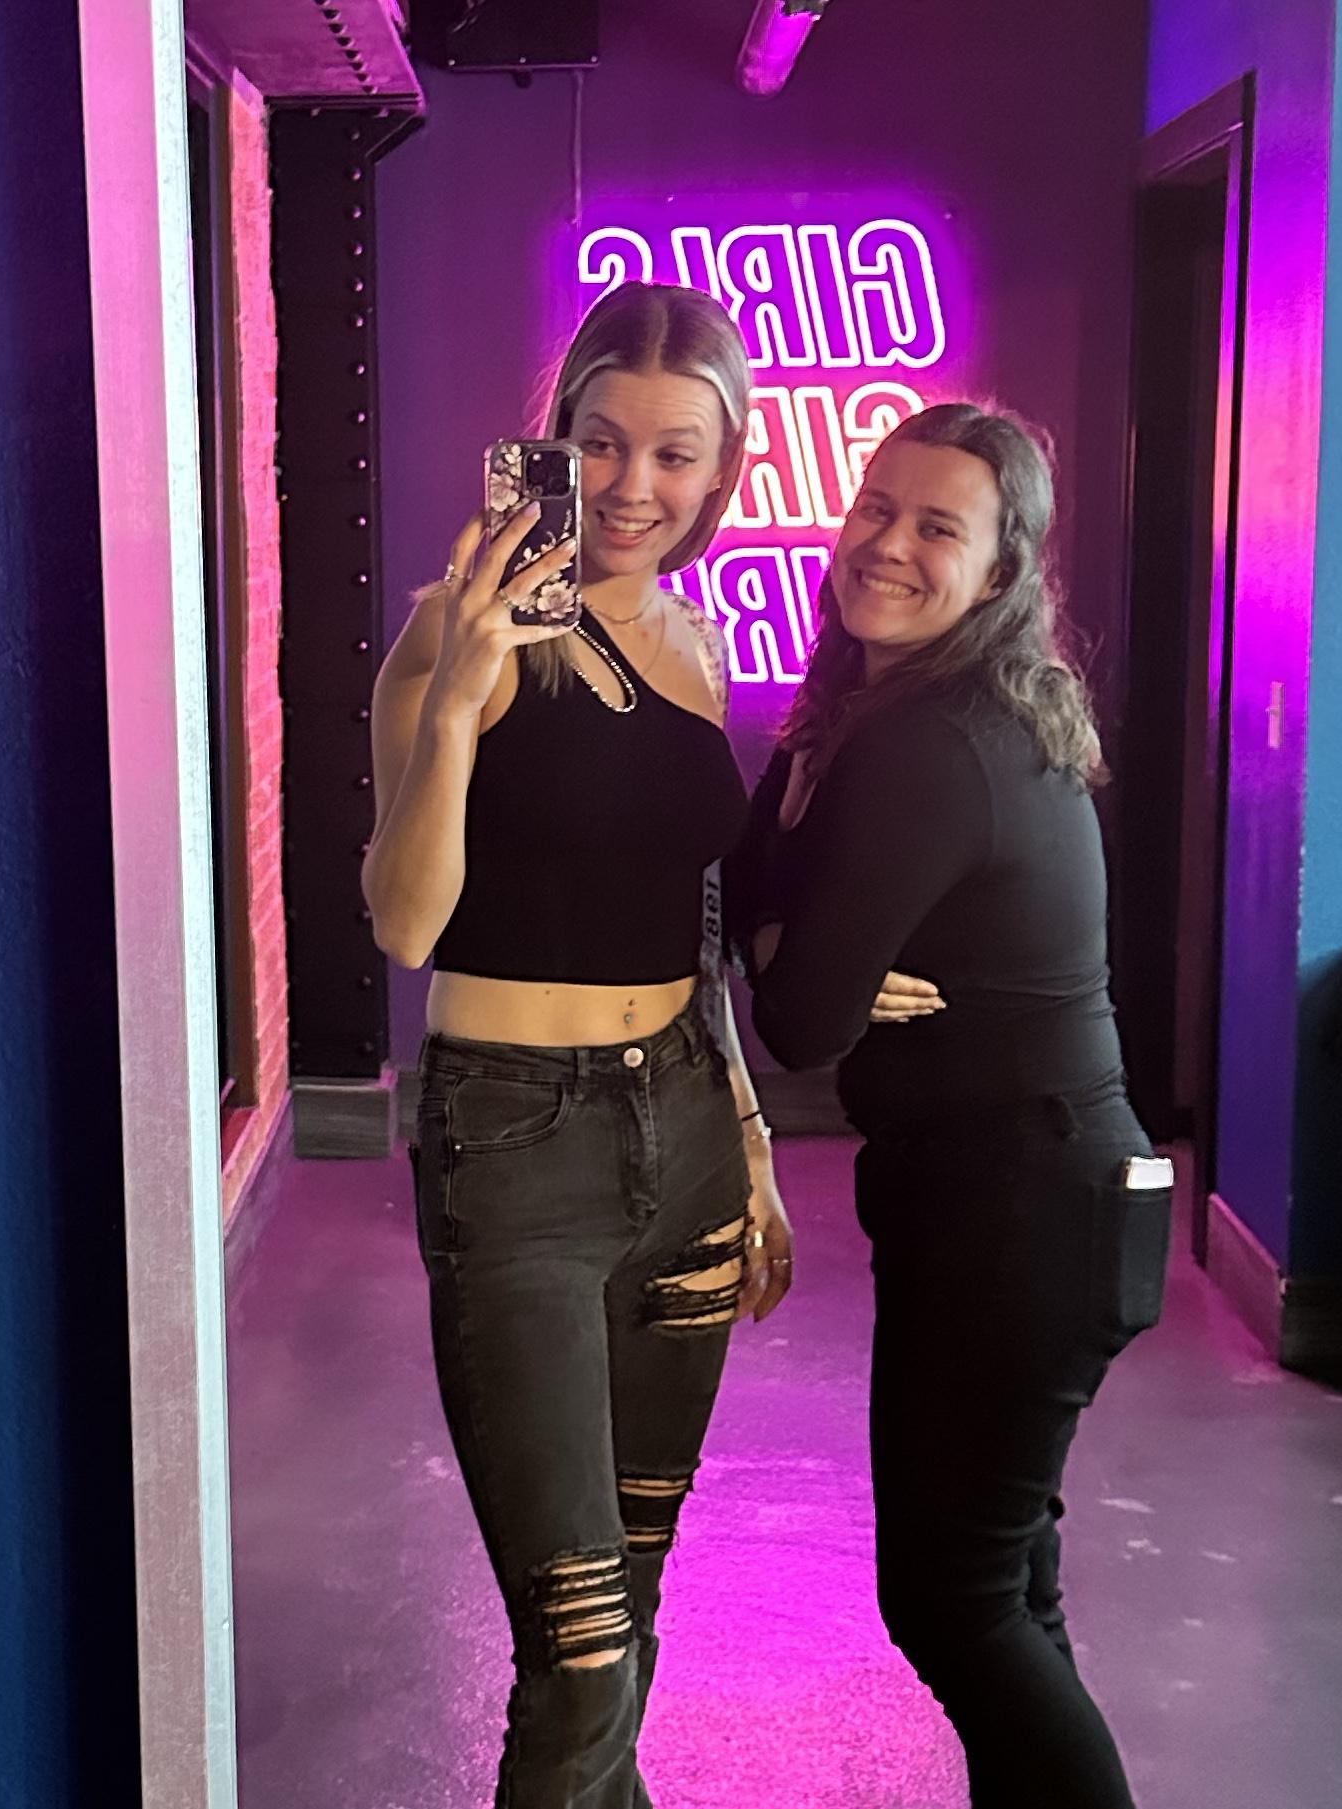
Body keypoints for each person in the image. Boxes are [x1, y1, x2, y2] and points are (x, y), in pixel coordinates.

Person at [361, 282, 794, 1809]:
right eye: (602, 442)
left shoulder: (693, 641)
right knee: (581, 1650)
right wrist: (458, 703)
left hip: (685, 1130)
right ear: (552, 439)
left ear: (721, 468)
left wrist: (747, 1133)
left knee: (636, 1593)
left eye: (675, 454)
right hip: (515, 1147)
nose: (631, 487)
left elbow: (689, 917)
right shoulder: (457, 628)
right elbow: (404, 920)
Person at [727, 402, 1168, 1808]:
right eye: (877, 506)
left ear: (998, 570)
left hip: (1022, 1210)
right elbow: (754, 905)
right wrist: (794, 928)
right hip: (1012, 1202)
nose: (889, 543)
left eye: (937, 526)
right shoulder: (878, 713)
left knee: (954, 1602)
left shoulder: (931, 743)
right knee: (1005, 1595)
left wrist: (799, 949)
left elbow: (797, 1020)